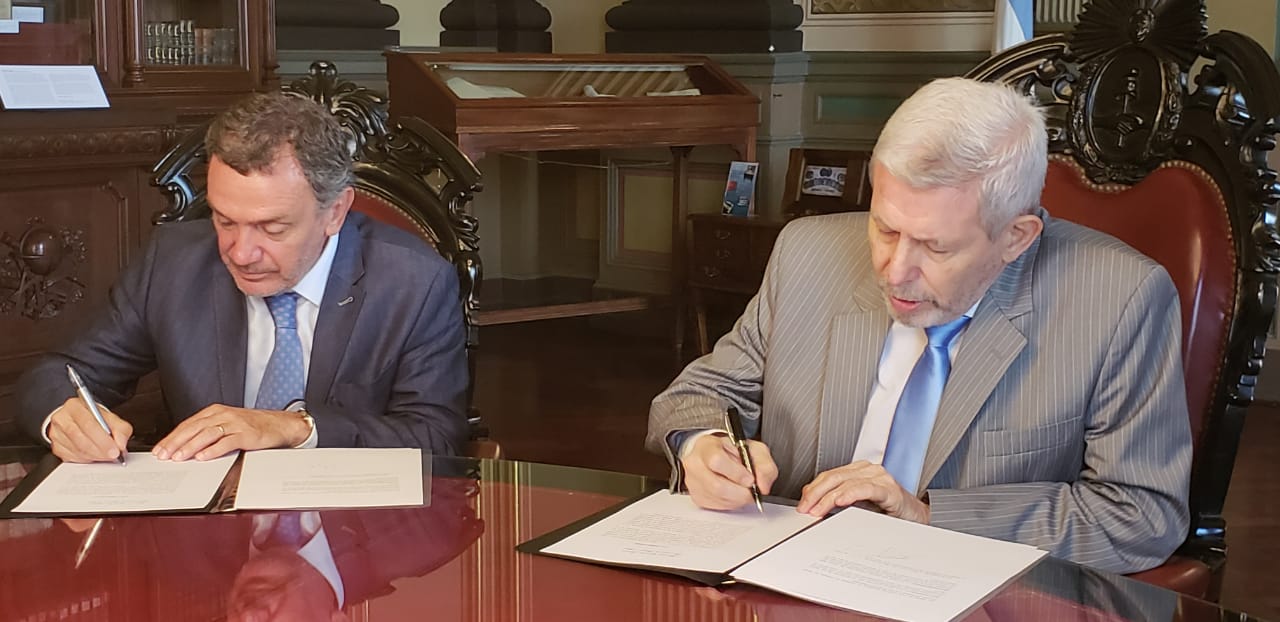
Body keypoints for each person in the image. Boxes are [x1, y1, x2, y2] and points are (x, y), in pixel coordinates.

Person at [647, 77, 1192, 574]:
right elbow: (699, 394)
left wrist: (928, 516)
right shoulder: (807, 252)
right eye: (885, 228)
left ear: (1016, 237)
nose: (894, 270)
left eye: (935, 247)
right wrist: (703, 445)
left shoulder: (1118, 300)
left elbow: (1141, 513)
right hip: (783, 579)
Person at [18, 91, 470, 463]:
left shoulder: (414, 282)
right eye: (224, 220)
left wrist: (294, 428)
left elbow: (436, 437)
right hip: (204, 527)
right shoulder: (173, 263)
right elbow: (55, 376)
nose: (240, 253)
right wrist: (64, 418)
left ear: (335, 212)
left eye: (272, 228)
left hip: (347, 531)